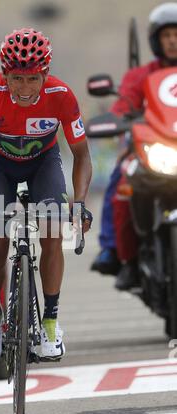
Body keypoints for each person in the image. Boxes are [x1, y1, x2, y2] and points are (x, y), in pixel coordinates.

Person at [0, 28, 92, 366]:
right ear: (5, 74)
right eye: (17, 79)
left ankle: (50, 323)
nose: (25, 89)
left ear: (45, 73)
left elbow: (82, 156)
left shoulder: (62, 95)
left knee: (52, 232)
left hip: (43, 164)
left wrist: (79, 203)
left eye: (33, 79)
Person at [91, 2, 177, 290]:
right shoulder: (139, 76)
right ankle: (117, 253)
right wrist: (117, 120)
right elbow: (121, 106)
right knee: (121, 182)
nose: (173, 41)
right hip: (154, 151)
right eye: (167, 36)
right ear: (156, 40)